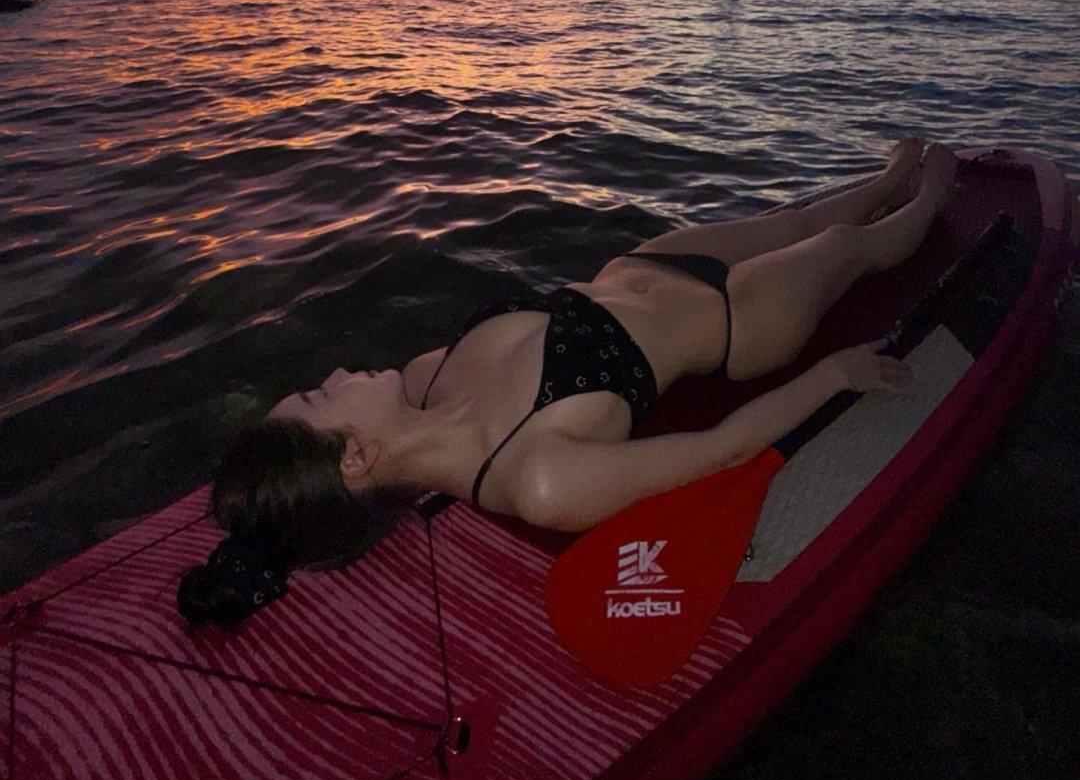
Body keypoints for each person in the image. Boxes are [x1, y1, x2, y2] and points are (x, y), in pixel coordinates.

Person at [177, 140, 953, 628]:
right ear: (356, 458)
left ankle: (883, 177)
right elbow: (722, 446)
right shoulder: (539, 478)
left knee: (799, 215)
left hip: (644, 262)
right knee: (857, 242)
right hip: (737, 320)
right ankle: (931, 191)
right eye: (323, 395)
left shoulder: (425, 376)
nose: (338, 373)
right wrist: (831, 374)